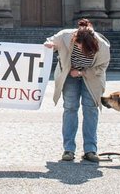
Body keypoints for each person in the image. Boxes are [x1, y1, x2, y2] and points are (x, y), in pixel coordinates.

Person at [44, 18, 110, 162]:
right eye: (78, 45)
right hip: (69, 76)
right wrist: (50, 44)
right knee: (70, 108)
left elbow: (101, 67)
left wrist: (81, 73)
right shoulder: (67, 36)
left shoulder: (102, 46)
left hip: (92, 79)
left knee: (90, 110)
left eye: (83, 48)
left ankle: (90, 150)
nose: (79, 48)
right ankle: (68, 149)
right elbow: (52, 41)